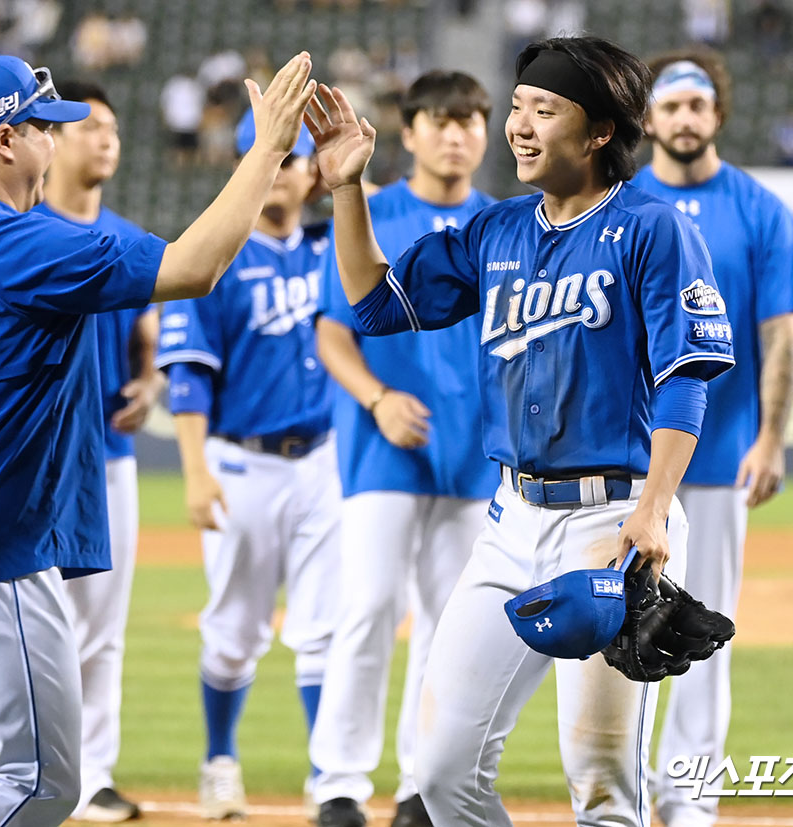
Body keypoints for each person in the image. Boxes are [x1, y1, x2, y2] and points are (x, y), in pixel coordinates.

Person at [0, 53, 317, 825]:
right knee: (36, 782)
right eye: (47, 127)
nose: (60, 141)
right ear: (6, 141)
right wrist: (268, 148)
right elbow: (193, 267)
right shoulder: (19, 242)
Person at [304, 35, 734, 827]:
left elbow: (687, 376)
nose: (520, 126)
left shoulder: (652, 229)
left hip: (614, 519)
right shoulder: (497, 229)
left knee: (603, 778)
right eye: (517, 107)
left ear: (601, 130)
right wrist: (346, 189)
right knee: (439, 771)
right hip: (508, 524)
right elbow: (372, 303)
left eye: (545, 108)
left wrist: (652, 513)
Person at [631, 50, 793, 826]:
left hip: (718, 454)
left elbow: (781, 333)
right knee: (622, 630)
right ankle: (625, 789)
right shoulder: (621, 200)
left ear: (717, 113)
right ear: (648, 119)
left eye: (696, 105)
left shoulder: (760, 208)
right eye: (669, 105)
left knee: (706, 631)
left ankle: (690, 796)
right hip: (628, 463)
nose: (683, 118)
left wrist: (771, 439)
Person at [307, 70, 495, 827]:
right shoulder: (370, 209)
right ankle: (339, 781)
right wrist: (378, 398)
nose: (456, 135)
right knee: (370, 607)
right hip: (382, 447)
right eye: (440, 121)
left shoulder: (504, 222)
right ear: (409, 132)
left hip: (475, 452)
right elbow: (331, 329)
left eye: (470, 120)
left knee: (450, 625)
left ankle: (423, 780)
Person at [156, 108, 339, 821]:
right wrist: (196, 470)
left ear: (308, 172)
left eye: (292, 160)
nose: (280, 173)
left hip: (322, 461)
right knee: (235, 629)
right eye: (265, 159)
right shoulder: (214, 259)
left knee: (325, 625)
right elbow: (188, 379)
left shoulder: (330, 250)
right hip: (241, 465)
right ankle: (220, 759)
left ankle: (330, 772)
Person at [33, 79, 161, 823]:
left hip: (109, 456)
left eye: (114, 126)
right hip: (38, 459)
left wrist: (147, 383)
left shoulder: (123, 234)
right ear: (54, 137)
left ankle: (94, 772)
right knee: (35, 620)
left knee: (103, 630)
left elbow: (145, 341)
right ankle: (29, 765)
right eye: (92, 125)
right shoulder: (27, 230)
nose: (108, 137)